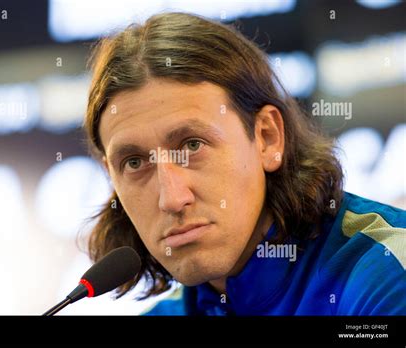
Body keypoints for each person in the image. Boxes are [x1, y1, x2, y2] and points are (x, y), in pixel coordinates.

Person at [83, 12, 405, 315]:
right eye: (135, 162)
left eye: (192, 145)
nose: (172, 199)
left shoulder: (386, 275)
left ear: (267, 138)